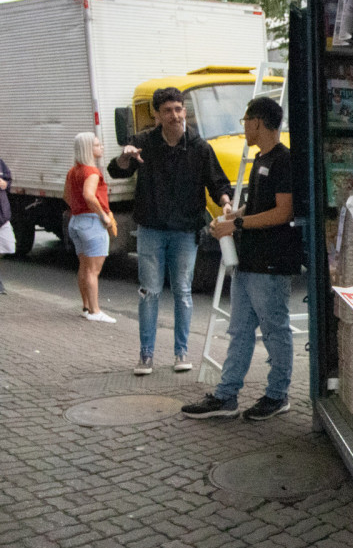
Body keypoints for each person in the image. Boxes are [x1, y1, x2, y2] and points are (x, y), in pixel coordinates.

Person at [181, 97, 300, 421]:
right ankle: (226, 396)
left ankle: (278, 395)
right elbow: (259, 207)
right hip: (250, 261)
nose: (243, 126)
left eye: (245, 120)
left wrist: (237, 224)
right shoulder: (261, 161)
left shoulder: (283, 161)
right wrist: (233, 218)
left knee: (275, 330)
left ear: (257, 122)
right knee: (241, 330)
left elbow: (283, 211)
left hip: (271, 262)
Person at [108, 87, 231, 376]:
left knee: (183, 293)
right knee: (149, 292)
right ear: (157, 115)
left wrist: (226, 203)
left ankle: (181, 352)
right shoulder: (143, 143)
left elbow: (218, 183)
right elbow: (117, 171)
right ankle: (146, 356)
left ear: (184, 110)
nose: (175, 115)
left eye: (178, 108)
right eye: (167, 110)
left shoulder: (200, 147)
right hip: (151, 228)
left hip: (185, 231)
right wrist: (125, 157)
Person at [64, 133, 118, 322]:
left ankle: (86, 306)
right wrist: (102, 214)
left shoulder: (73, 171)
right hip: (92, 222)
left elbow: (67, 196)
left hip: (76, 220)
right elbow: (89, 195)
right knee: (93, 271)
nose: (101, 146)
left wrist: (77, 208)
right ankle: (95, 311)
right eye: (96, 144)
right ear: (88, 149)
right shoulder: (92, 172)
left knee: (84, 266)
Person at [0, 157, 12, 294]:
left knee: (8, 245)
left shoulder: (0, 162)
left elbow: (9, 181)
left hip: (2, 214)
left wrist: (5, 184)